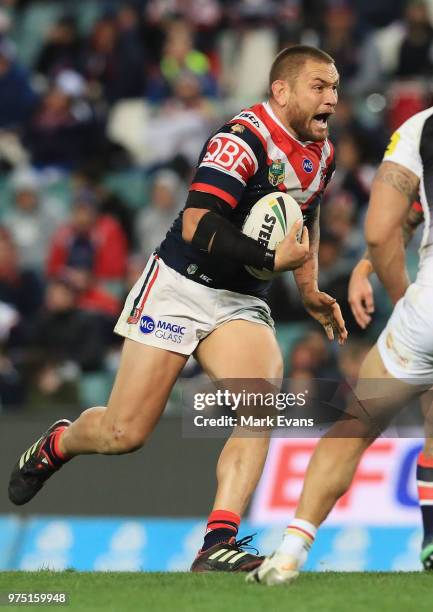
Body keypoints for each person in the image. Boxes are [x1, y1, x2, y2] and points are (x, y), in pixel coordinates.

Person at [8, 45, 346, 572]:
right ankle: (61, 441)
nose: (332, 98)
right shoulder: (241, 142)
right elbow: (197, 225)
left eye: (334, 87)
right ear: (281, 91)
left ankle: (217, 544)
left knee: (261, 402)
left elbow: (306, 215)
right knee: (125, 434)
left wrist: (308, 288)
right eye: (319, 87)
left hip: (238, 299)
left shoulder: (322, 152)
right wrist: (269, 257)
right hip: (179, 286)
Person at [250, 105, 433, 585]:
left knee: (355, 427)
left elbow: (381, 229)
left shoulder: (422, 127)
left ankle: (290, 551)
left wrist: (400, 296)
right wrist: (371, 268)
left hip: (426, 316)